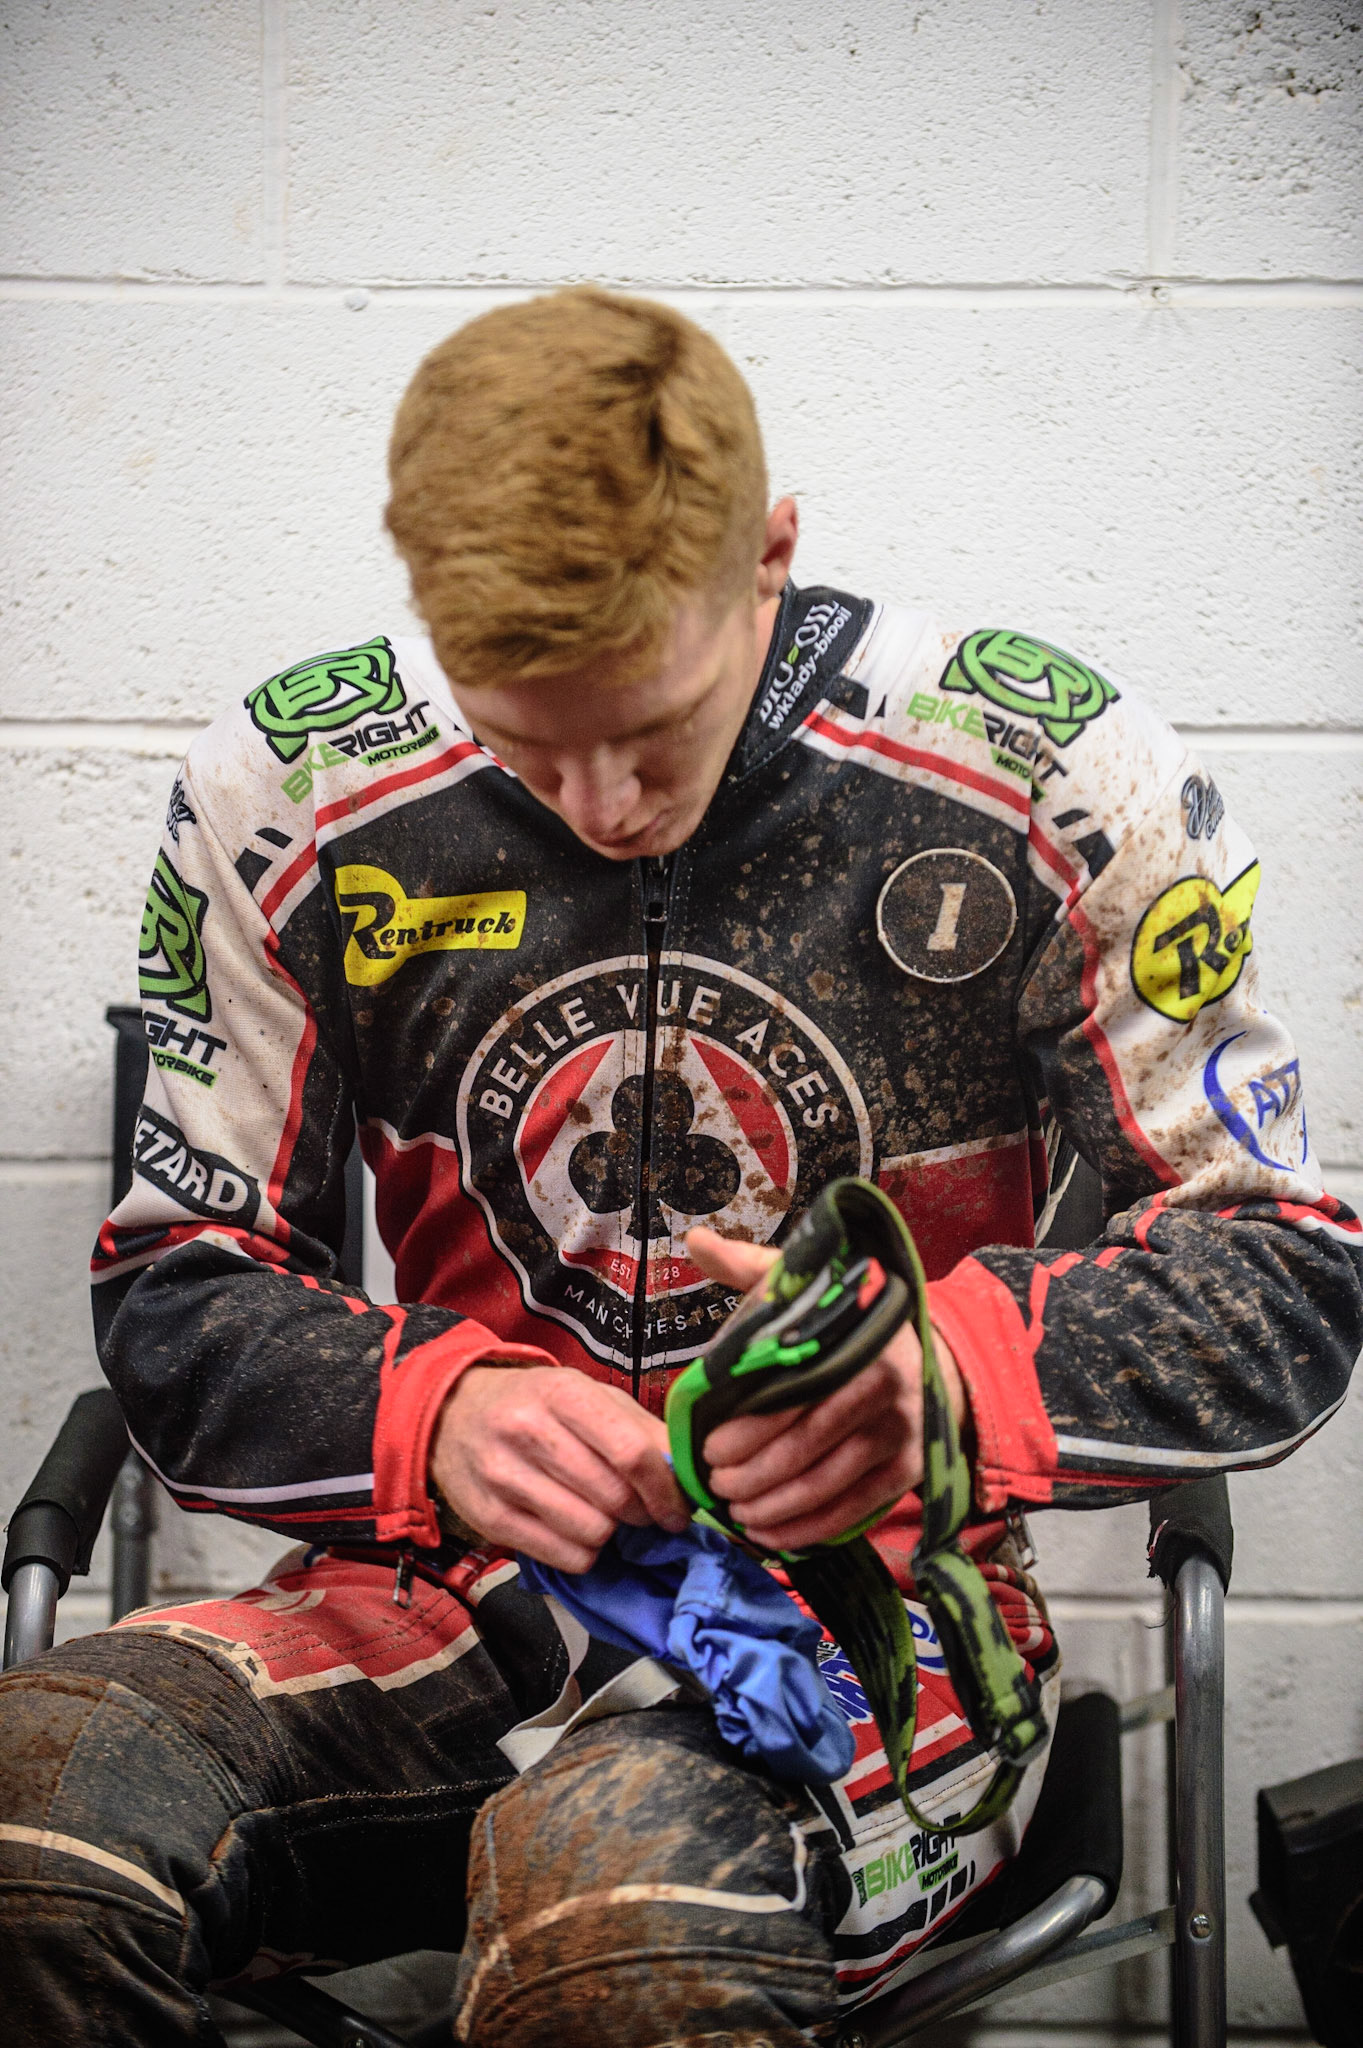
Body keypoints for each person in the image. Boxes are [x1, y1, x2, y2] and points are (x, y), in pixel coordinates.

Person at [2, 287, 1359, 2048]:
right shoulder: (295, 790)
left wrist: (946, 1380)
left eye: (654, 728)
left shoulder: (1054, 780)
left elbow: (1282, 1266)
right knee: (34, 1833)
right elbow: (180, 1290)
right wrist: (437, 1415)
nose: (600, 803)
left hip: (874, 1624)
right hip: (418, 1601)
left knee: (614, 1925)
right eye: (521, 740)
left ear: (772, 555)